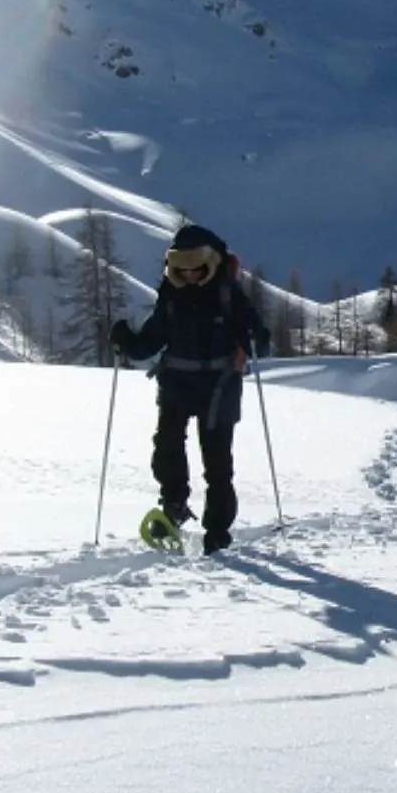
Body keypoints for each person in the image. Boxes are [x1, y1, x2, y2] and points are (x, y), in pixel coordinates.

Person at [110, 223, 267, 554]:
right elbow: (149, 343)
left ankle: (217, 531)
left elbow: (257, 333)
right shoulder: (170, 298)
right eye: (183, 270)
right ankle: (174, 507)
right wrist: (125, 338)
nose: (191, 276)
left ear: (210, 264)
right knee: (167, 445)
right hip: (178, 382)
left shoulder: (228, 295)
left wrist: (254, 338)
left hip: (220, 385)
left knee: (217, 462)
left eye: (197, 269)